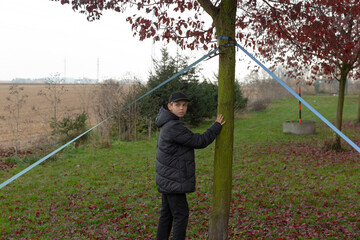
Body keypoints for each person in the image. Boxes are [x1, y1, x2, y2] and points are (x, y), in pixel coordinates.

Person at [155, 92, 226, 240]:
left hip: (168, 178)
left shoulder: (169, 123)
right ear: (170, 107)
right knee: (181, 214)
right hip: (173, 179)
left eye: (184, 105)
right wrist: (216, 127)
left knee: (167, 214)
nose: (181, 108)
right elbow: (199, 141)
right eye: (177, 105)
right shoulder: (173, 126)